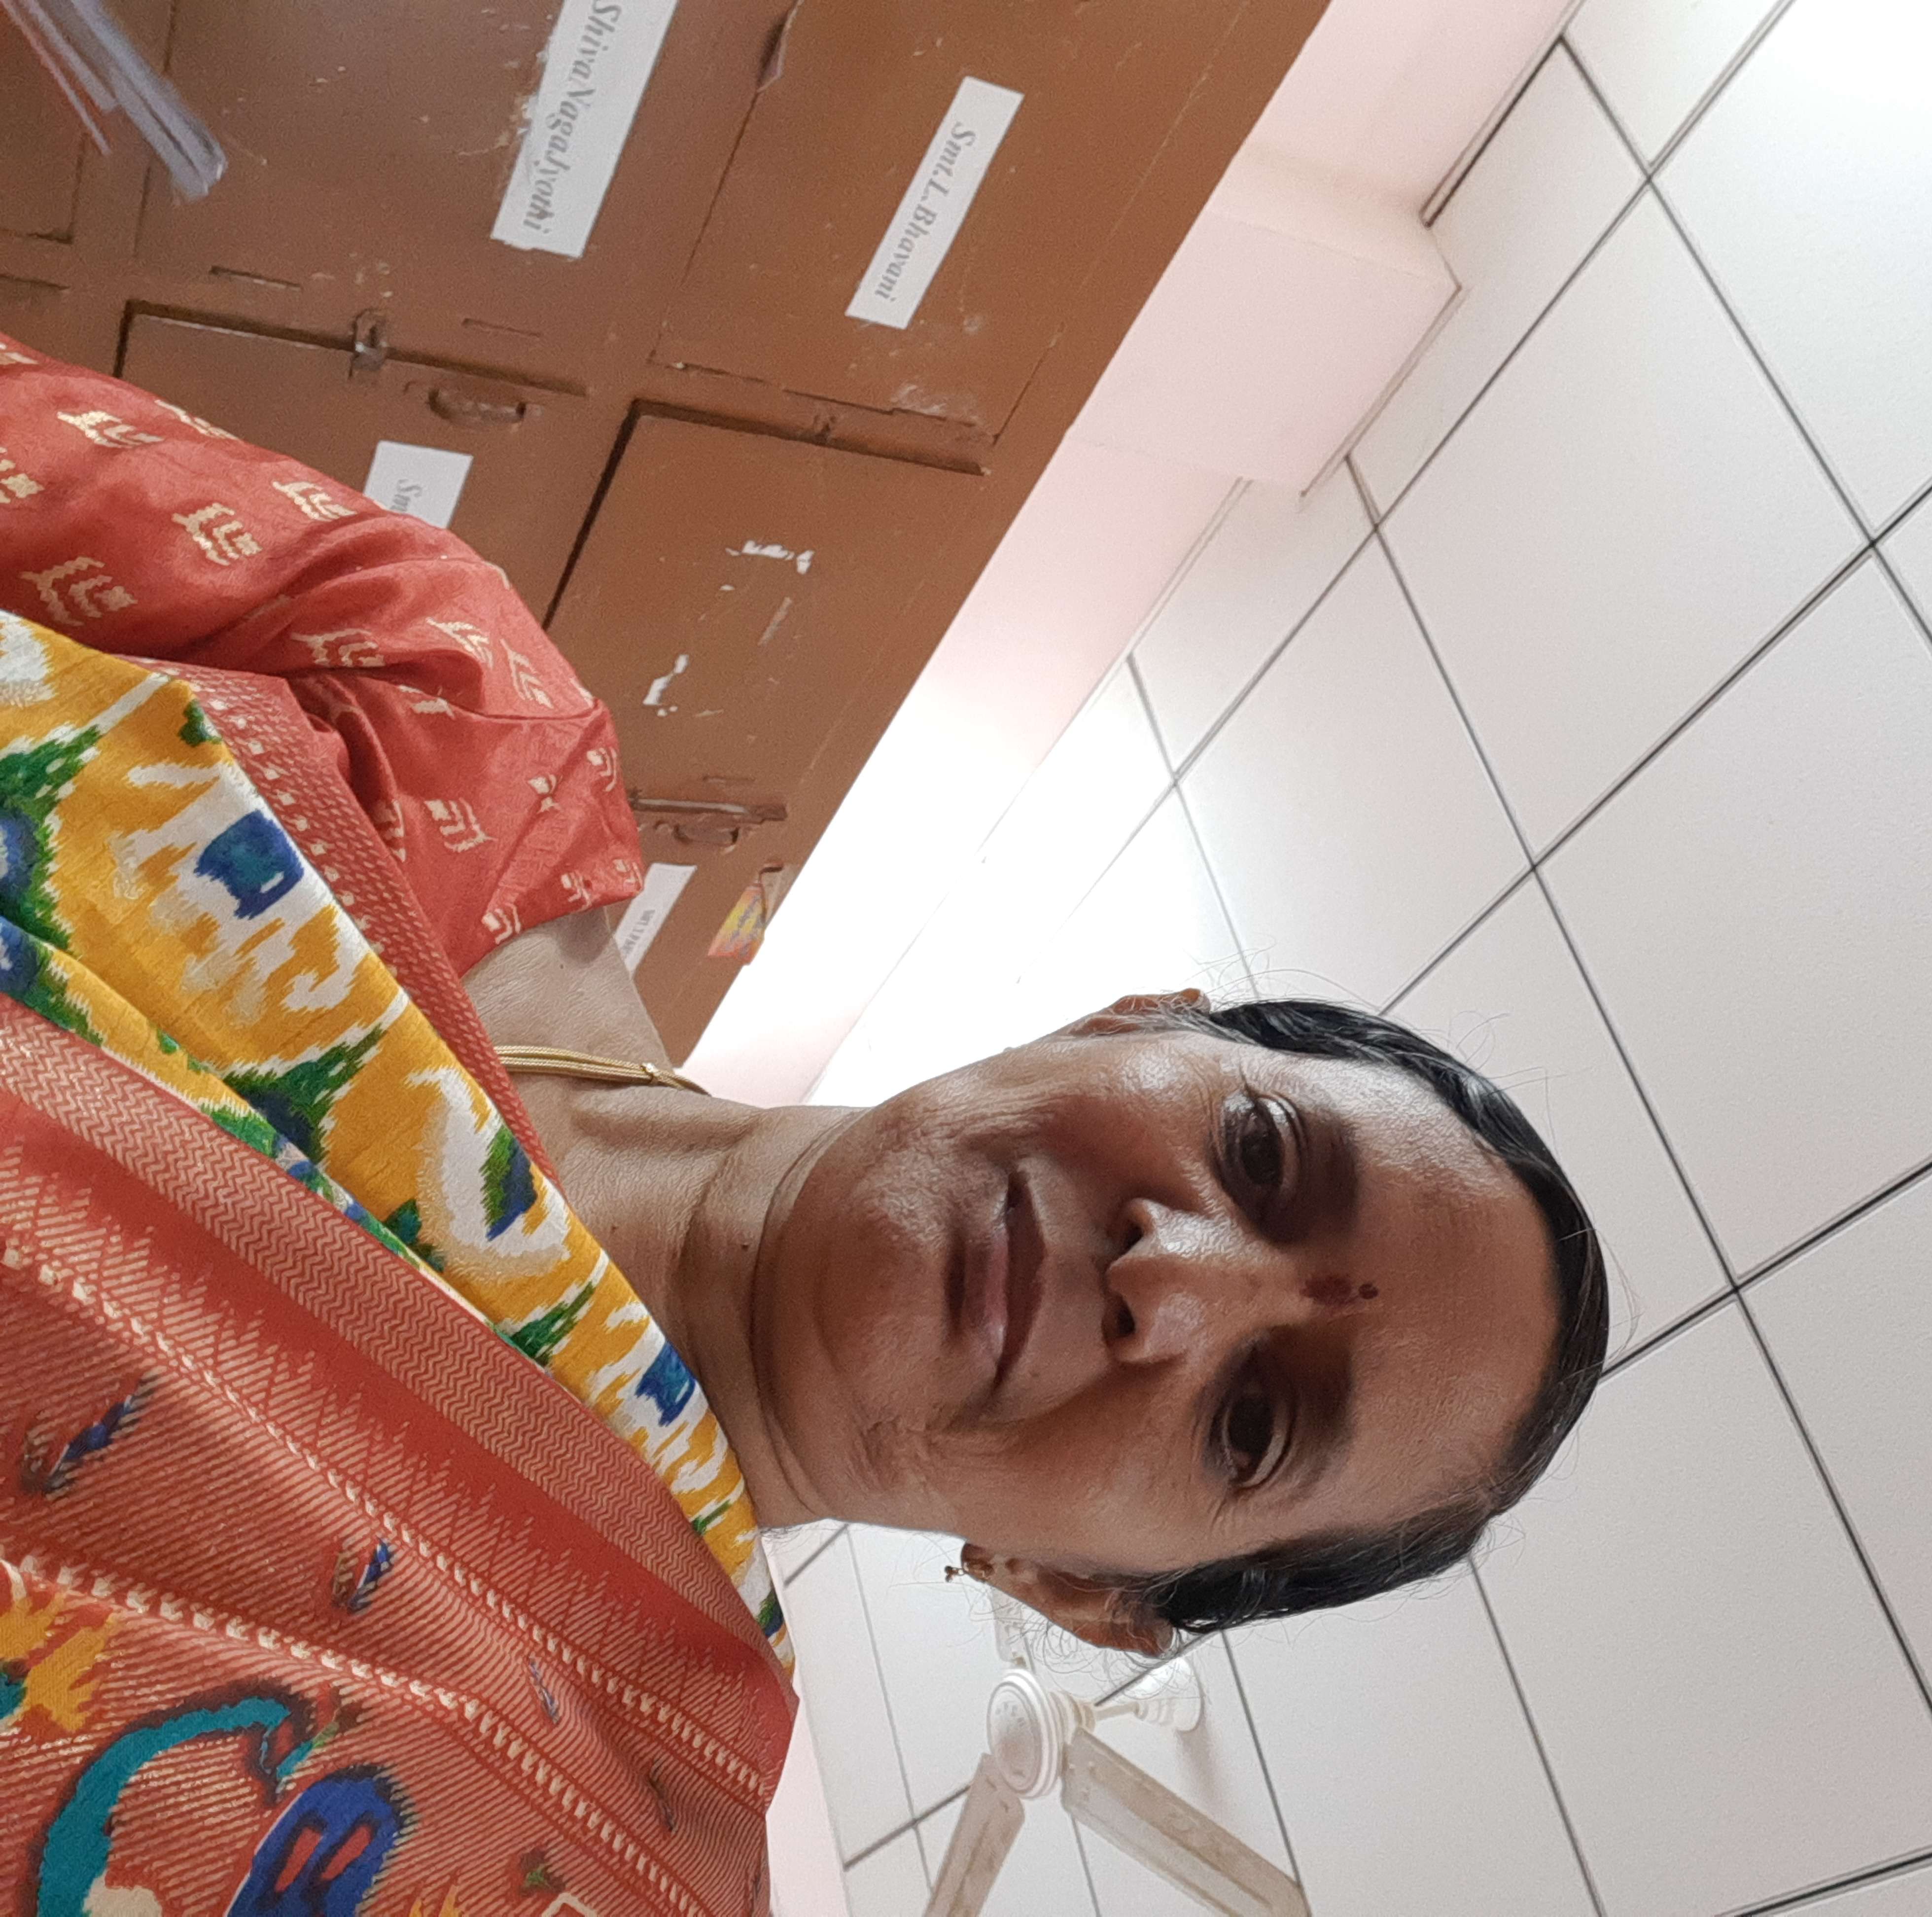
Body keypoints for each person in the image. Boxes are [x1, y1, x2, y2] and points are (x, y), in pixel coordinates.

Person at [0, 336, 1607, 1910]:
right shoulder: (446, 706)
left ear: (1084, 1594)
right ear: (1133, 1023)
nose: (1170, 1282)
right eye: (1260, 1155)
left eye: (1251, 1422)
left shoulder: (589, 1858)